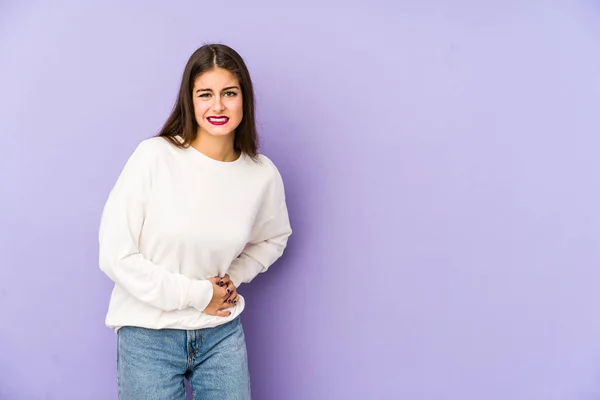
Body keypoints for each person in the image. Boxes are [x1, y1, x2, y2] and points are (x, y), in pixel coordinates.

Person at [98, 43, 292, 400]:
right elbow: (115, 255)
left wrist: (230, 280)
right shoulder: (154, 157)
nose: (217, 106)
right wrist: (199, 294)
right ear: (190, 101)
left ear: (244, 99)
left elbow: (274, 237)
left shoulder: (261, 175)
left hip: (220, 332)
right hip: (148, 332)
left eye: (229, 93)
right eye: (205, 94)